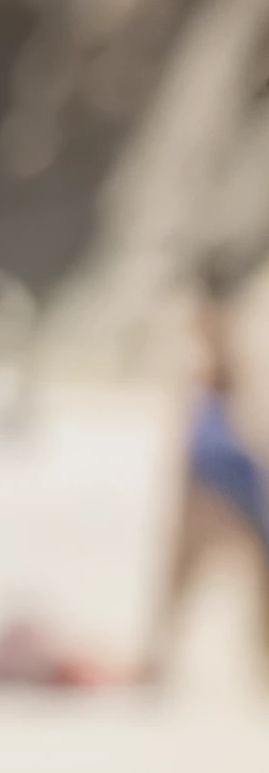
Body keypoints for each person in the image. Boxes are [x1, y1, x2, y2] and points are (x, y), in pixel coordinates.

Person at [141, 264, 269, 689]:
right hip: (215, 471)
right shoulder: (205, 355)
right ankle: (158, 663)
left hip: (229, 472)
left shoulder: (231, 351)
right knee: (183, 577)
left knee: (247, 581)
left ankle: (161, 662)